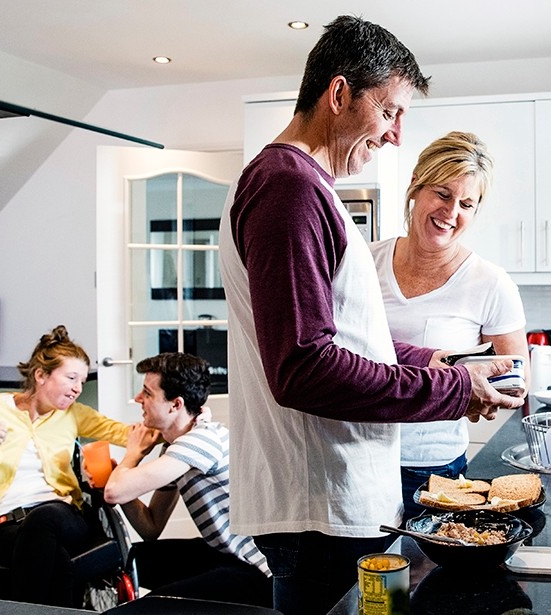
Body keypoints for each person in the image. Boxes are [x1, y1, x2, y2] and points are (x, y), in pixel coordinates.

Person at [217, 15, 525, 614]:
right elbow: (303, 367)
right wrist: (451, 389)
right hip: (322, 509)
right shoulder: (289, 189)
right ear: (338, 94)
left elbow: (348, 338)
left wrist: (436, 361)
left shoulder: (300, 185)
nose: (395, 136)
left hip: (334, 504)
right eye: (388, 112)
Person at [370, 131, 529, 521]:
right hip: (358, 459)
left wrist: (482, 393)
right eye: (442, 194)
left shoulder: (489, 282)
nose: (451, 212)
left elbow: (517, 377)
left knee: (427, 581)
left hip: (432, 468)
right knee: (363, 582)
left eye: (467, 203)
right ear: (415, 187)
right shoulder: (365, 263)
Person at [0, 325, 130, 607]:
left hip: (62, 515)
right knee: (56, 561)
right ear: (41, 375)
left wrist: (181, 422)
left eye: (81, 380)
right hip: (0, 526)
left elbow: (127, 433)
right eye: (71, 377)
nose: (78, 389)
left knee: (43, 520)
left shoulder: (73, 415)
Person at [103, 353, 272, 607]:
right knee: (127, 558)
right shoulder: (177, 447)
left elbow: (113, 493)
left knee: (152, 606)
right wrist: (125, 481)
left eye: (147, 393)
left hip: (257, 572)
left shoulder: (200, 441)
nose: (139, 399)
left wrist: (132, 455)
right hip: (223, 554)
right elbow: (150, 527)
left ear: (175, 404)